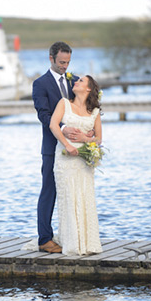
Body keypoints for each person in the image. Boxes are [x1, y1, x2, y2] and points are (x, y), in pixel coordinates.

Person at [32, 42, 91, 254]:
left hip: (75, 148)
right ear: (51, 58)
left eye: (67, 62)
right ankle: (44, 239)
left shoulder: (75, 81)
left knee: (74, 192)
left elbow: (86, 109)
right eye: (61, 62)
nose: (65, 66)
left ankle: (74, 237)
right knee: (49, 191)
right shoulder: (40, 84)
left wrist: (90, 130)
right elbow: (43, 115)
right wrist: (63, 128)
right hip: (51, 146)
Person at [49, 75, 103, 256]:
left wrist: (84, 140)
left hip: (84, 161)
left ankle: (88, 242)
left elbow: (99, 139)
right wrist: (68, 144)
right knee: (69, 197)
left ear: (88, 89)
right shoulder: (64, 103)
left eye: (81, 81)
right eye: (76, 80)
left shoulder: (94, 111)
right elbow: (53, 125)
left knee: (85, 196)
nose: (76, 82)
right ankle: (72, 242)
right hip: (65, 158)